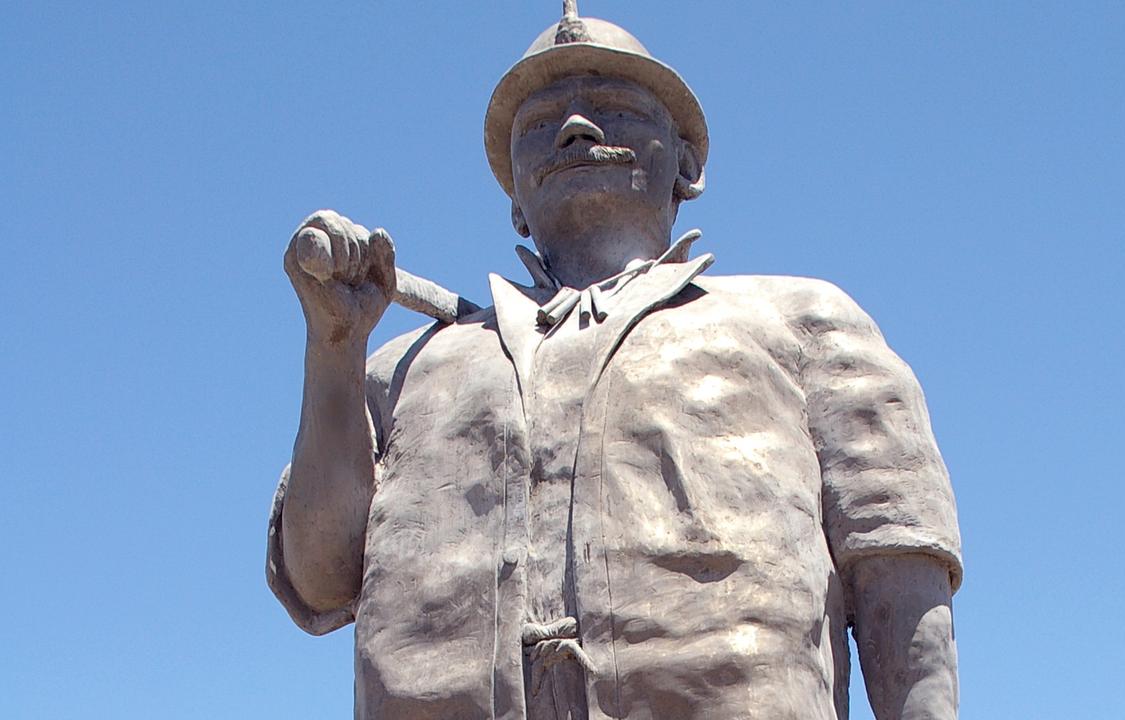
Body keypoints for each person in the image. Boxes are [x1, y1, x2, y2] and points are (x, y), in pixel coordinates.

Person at [269, 6, 962, 719]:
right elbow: (321, 580)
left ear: (686, 164)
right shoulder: (404, 370)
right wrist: (334, 351)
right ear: (513, 194)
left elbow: (898, 572)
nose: (576, 129)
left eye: (616, 108)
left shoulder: (802, 322)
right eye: (540, 124)